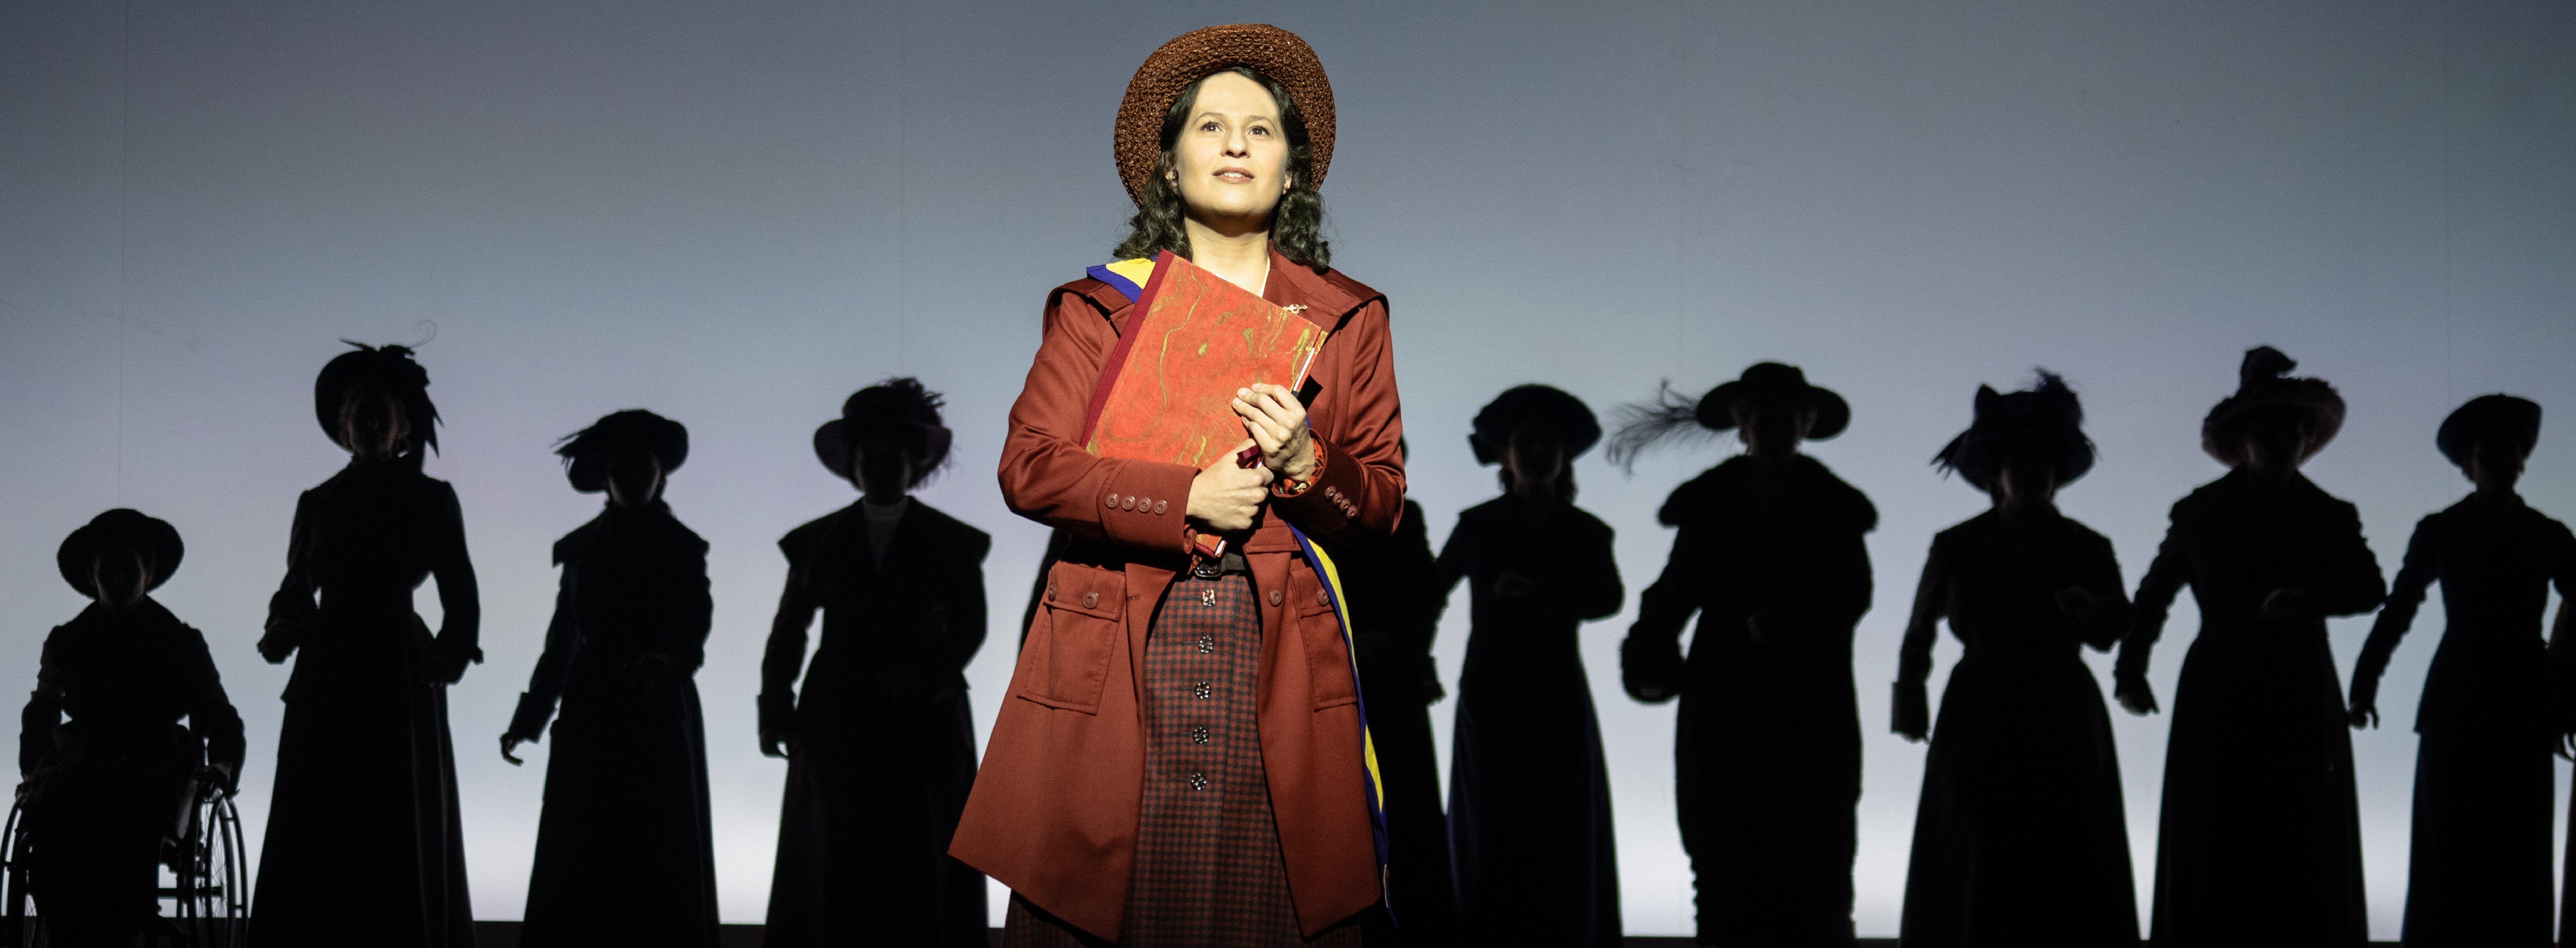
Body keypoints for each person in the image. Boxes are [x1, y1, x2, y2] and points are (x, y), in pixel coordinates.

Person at [952, 23, 1405, 948]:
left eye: (1260, 130)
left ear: (1291, 172)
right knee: (1092, 900)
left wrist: (1306, 463)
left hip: (1276, 653)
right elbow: (1030, 466)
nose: (1236, 144)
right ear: (1168, 165)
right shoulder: (1099, 308)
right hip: (1120, 635)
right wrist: (1183, 498)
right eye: (1209, 126)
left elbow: (1382, 501)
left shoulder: (1349, 318)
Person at [2114, 346, 2385, 946]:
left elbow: (2370, 587)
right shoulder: (2197, 513)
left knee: (2300, 831)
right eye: (2271, 431)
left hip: (2299, 689)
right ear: (2245, 440)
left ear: (2307, 437)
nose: (2285, 440)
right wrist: (2131, 673)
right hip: (2219, 690)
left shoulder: (2331, 514)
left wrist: (2307, 600)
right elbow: (2154, 596)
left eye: (2295, 430)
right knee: (2218, 830)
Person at [1611, 362, 1874, 948]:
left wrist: (1796, 626)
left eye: (1787, 417)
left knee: (1819, 878)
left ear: (1806, 424)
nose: (1773, 428)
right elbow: (1672, 592)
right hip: (1724, 712)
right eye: (1761, 416)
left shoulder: (1835, 508)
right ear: (1742, 425)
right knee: (1723, 875)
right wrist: (1651, 661)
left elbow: (1853, 595)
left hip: (1811, 715)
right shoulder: (1710, 504)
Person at [1890, 374, 2139, 947]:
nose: (2031, 473)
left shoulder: (2089, 546)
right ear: (1995, 473)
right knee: (1974, 848)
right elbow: (1918, 630)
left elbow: (2116, 626)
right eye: (2018, 462)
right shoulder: (1955, 545)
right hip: (1979, 714)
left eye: (2043, 463)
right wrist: (1910, 705)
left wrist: (2091, 611)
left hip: (2063, 714)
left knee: (2065, 851)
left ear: (2058, 473)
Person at [252, 341, 480, 948]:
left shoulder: (432, 499)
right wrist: (281, 629)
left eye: (384, 413)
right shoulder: (318, 503)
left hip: (401, 674)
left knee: (398, 813)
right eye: (361, 412)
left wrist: (450, 654)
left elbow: (461, 593)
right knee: (320, 815)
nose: (372, 423)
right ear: (343, 425)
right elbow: (296, 587)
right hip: (328, 671)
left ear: (402, 427)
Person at [760, 379, 991, 947]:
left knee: (920, 863)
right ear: (854, 465)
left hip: (923, 723)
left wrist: (921, 674)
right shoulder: (816, 541)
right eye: (871, 456)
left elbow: (970, 626)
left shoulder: (952, 541)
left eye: (893, 457)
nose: (881, 466)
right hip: (838, 724)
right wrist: (775, 710)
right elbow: (788, 632)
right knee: (836, 863)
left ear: (914, 465)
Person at [2346, 395, 2574, 945]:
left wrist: (2568, 698)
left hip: (2522, 705)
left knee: (2517, 851)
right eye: (2488, 453)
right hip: (2461, 708)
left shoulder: (2548, 535)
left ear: (2522, 461)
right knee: (2448, 848)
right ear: (2469, 464)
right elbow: (2399, 609)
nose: (2500, 461)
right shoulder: (2441, 531)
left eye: (2509, 451)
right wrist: (2363, 684)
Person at [501, 410, 720, 948]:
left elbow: (695, 622)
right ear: (605, 477)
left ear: (660, 474)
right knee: (583, 849)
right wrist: (528, 719)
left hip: (659, 712)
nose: (633, 476)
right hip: (591, 714)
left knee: (660, 847)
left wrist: (667, 662)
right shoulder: (581, 550)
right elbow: (562, 640)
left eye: (643, 466)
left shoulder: (682, 548)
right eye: (621, 467)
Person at [1440, 386, 1625, 946]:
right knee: (1490, 829)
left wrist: (1539, 591)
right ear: (1505, 455)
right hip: (1491, 702)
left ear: (1565, 456)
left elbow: (1609, 596)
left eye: (1550, 443)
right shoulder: (1476, 526)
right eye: (1527, 442)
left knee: (1562, 828)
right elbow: (1429, 591)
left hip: (1557, 701)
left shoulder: (1587, 532)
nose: (1539, 452)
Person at [19, 510, 244, 948]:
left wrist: (222, 763)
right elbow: (42, 708)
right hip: (82, 756)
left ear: (149, 574)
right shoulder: (67, 641)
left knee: (128, 793)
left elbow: (216, 711)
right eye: (109, 571)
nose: (119, 581)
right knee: (59, 804)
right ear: (92, 577)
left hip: (154, 754)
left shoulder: (181, 641)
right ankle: (68, 921)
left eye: (130, 570)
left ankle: (132, 920)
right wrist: (31, 771)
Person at [1331, 439, 1458, 948]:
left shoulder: (1408, 516)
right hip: (1337, 681)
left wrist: (1393, 640)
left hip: (1394, 681)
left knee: (1410, 817)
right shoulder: (1315, 512)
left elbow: (1425, 593)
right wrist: (1351, 640)